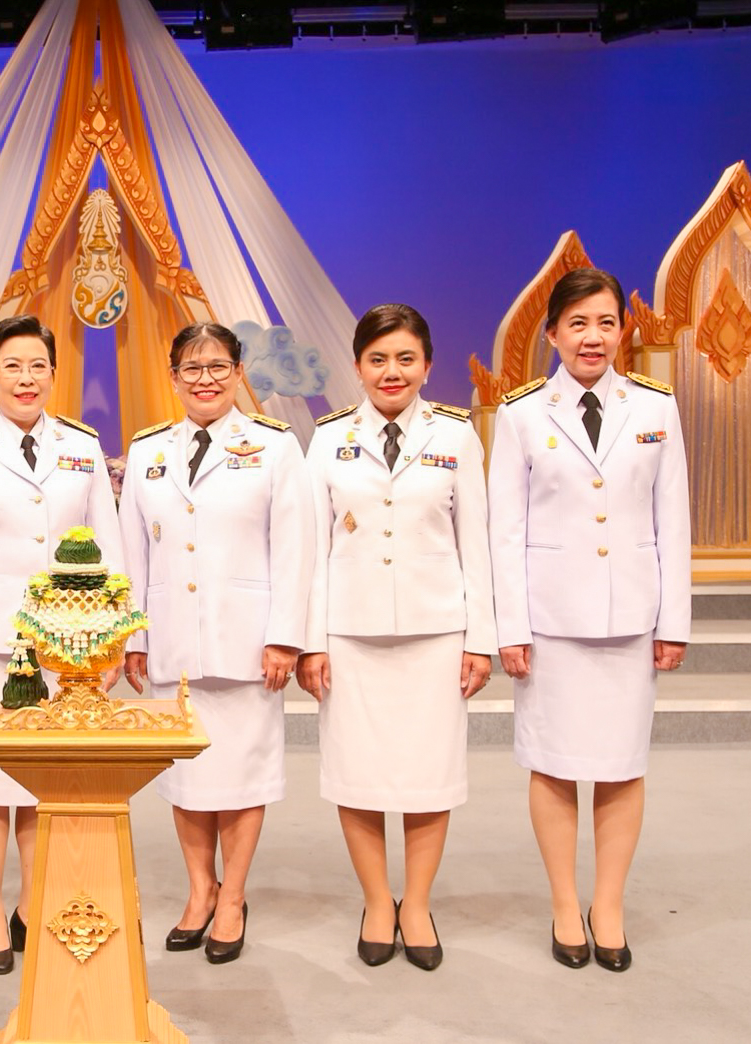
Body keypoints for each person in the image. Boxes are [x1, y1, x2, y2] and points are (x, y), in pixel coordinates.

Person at [487, 268, 690, 972]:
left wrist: (674, 621)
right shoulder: (521, 413)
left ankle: (609, 905)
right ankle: (564, 903)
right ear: (552, 334)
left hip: (631, 617)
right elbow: (504, 530)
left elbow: (673, 520)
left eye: (605, 322)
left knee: (621, 766)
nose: (592, 337)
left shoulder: (656, 407)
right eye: (577, 324)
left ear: (622, 329)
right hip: (550, 623)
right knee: (553, 764)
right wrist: (509, 628)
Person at [0, 314, 124, 975]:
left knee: (44, 782)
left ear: (54, 374)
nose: (26, 378)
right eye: (12, 365)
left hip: (67, 646)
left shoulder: (81, 446)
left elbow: (109, 547)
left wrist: (111, 638)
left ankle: (33, 906)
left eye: (38, 365)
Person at [296, 304, 493, 971]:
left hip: (436, 634)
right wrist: (312, 641)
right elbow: (312, 549)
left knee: (429, 777)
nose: (392, 371)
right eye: (378, 359)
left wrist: (480, 639)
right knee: (357, 774)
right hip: (350, 635)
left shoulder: (457, 435)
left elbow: (476, 543)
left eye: (406, 358)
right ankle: (378, 901)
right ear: (357, 367)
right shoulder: (327, 439)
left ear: (427, 365)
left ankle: (418, 904)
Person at [119, 321, 314, 965]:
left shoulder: (275, 446)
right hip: (172, 639)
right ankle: (200, 890)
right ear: (174, 376)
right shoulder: (148, 451)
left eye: (218, 367)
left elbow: (295, 549)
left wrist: (285, 637)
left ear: (238, 372)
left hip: (249, 641)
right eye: (192, 369)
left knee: (243, 773)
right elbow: (133, 554)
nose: (205, 380)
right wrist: (134, 635)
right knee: (188, 775)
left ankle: (233, 897)